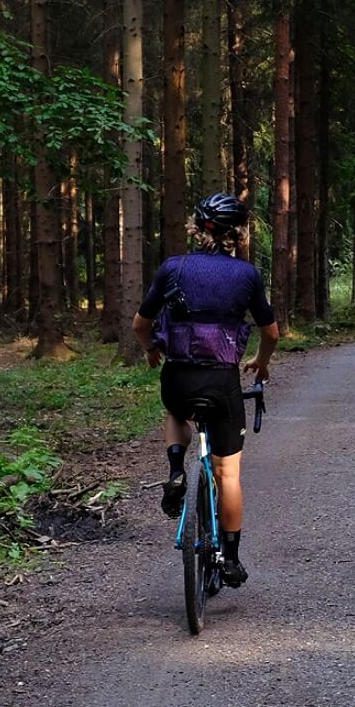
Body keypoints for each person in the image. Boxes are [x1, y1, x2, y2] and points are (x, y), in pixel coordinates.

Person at [133, 193, 278, 588]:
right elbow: (270, 333)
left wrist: (151, 350)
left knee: (176, 413)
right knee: (227, 472)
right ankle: (230, 559)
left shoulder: (173, 267)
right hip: (221, 381)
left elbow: (140, 324)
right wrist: (261, 362)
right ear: (240, 233)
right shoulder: (247, 275)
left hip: (178, 376)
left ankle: (176, 470)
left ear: (197, 228)